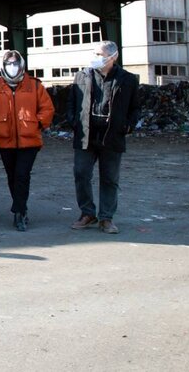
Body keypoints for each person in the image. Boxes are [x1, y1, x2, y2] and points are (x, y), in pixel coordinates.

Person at [66, 40, 140, 234]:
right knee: (81, 174)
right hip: (86, 134)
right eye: (94, 53)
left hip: (112, 136)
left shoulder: (128, 79)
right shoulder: (82, 76)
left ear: (113, 57)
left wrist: (128, 126)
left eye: (100, 54)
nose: (96, 57)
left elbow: (136, 107)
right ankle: (87, 213)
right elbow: (72, 102)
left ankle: (106, 218)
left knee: (109, 178)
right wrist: (74, 121)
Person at [0, 50, 55, 231]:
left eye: (15, 63)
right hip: (5, 140)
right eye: (8, 63)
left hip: (29, 141)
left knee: (22, 175)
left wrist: (36, 125)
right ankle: (20, 207)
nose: (12, 66)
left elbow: (47, 109)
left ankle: (19, 211)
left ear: (22, 65)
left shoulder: (34, 85)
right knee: (12, 176)